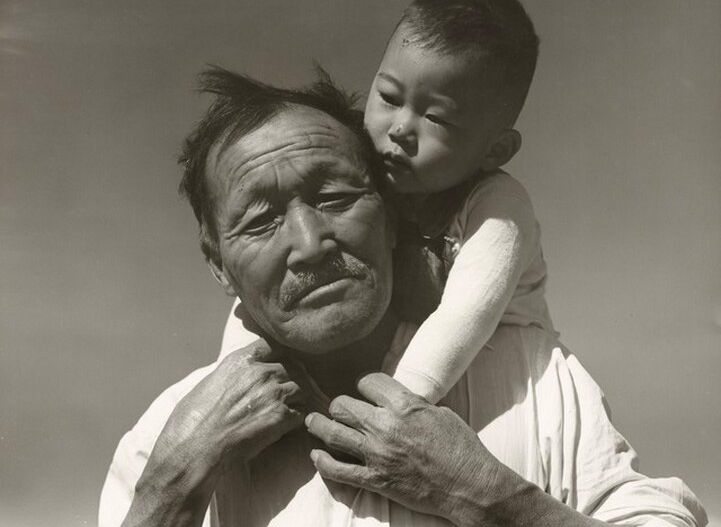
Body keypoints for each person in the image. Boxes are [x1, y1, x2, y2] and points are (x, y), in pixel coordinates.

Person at [99, 67, 706, 527]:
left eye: (335, 198)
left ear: (391, 220)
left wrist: (489, 497)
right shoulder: (165, 441)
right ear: (219, 268)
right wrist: (172, 487)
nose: (310, 244)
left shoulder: (530, 374)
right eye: (260, 223)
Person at [222, 0, 550, 404]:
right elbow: (259, 296)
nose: (399, 129)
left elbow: (463, 318)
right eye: (390, 97)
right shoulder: (368, 170)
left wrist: (389, 415)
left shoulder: (499, 208)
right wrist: (229, 386)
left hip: (494, 373)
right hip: (402, 364)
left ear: (497, 149)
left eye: (437, 120)